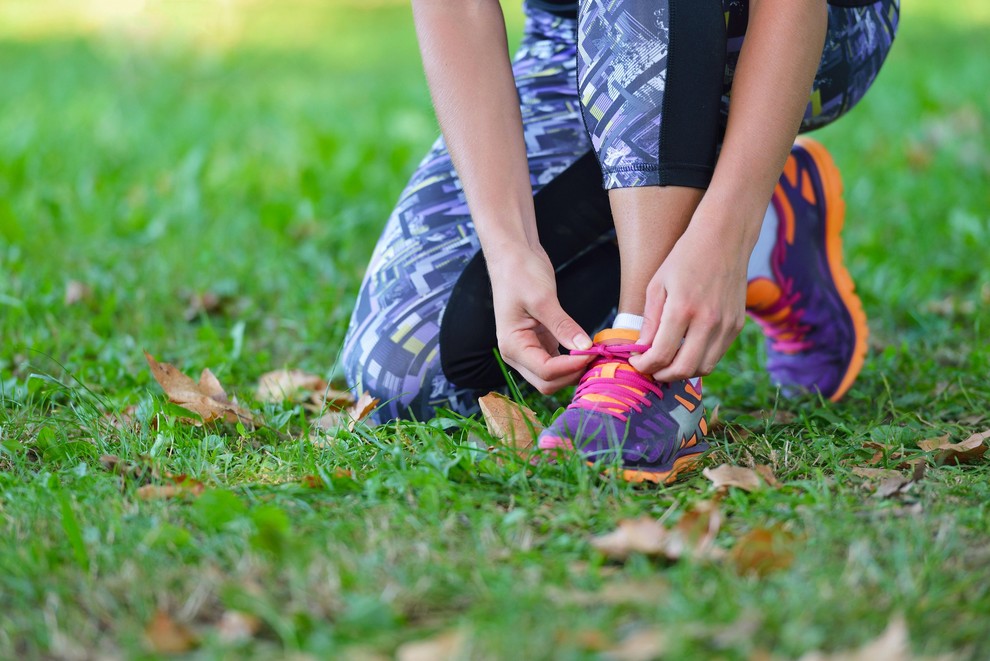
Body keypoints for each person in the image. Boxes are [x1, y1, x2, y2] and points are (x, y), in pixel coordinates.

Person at [341, 0, 899, 483]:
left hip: (799, 30)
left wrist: (732, 226)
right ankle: (771, 238)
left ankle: (647, 359)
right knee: (404, 370)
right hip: (572, 43)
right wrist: (509, 247)